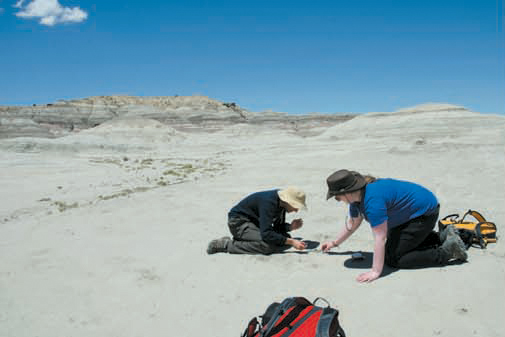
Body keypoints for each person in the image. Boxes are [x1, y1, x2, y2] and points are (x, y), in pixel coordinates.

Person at [321, 169, 467, 283]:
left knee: (394, 259)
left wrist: (376, 271)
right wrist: (334, 243)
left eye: (336, 196)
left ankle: (448, 251)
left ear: (346, 193)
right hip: (414, 213)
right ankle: (441, 236)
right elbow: (353, 224)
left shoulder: (372, 201)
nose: (337, 200)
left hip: (424, 214)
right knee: (393, 246)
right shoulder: (357, 198)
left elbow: (380, 237)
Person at [207, 186, 308, 254]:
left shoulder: (281, 204)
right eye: (295, 206)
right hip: (238, 222)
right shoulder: (269, 202)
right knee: (268, 246)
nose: (296, 210)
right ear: (288, 201)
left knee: (284, 237)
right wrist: (292, 242)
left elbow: (277, 227)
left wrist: (290, 227)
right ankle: (226, 245)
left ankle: (244, 239)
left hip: (255, 224)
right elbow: (267, 234)